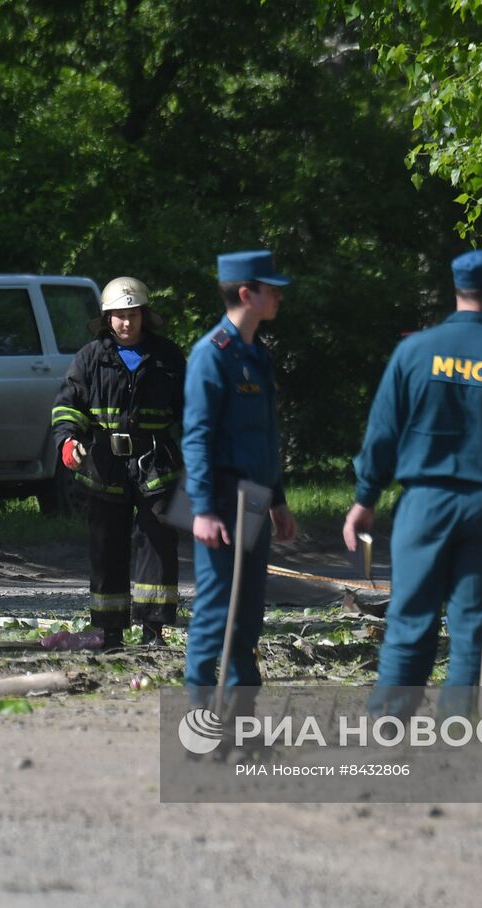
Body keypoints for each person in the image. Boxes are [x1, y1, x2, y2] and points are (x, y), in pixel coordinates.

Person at [342, 249, 482, 715]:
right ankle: (457, 734)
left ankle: (387, 725)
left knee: (409, 620)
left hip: (423, 505)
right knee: (473, 625)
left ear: (458, 291)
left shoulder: (412, 352)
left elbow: (382, 434)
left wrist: (365, 498)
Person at [182, 250, 299, 707]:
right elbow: (197, 437)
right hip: (224, 498)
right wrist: (203, 510)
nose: (279, 296)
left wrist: (278, 499)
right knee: (215, 613)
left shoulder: (257, 355)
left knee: (248, 615)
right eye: (272, 289)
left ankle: (240, 720)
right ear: (246, 293)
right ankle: (200, 724)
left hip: (253, 496)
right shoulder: (213, 355)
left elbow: (266, 434)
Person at [52, 277, 187, 650]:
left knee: (157, 544)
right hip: (105, 466)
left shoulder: (169, 358)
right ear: (107, 318)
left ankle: (154, 630)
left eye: (133, 315)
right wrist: (68, 441)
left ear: (144, 316)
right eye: (119, 316)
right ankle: (111, 631)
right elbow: (67, 405)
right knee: (106, 546)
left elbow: (192, 412)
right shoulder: (90, 357)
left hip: (156, 465)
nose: (126, 323)